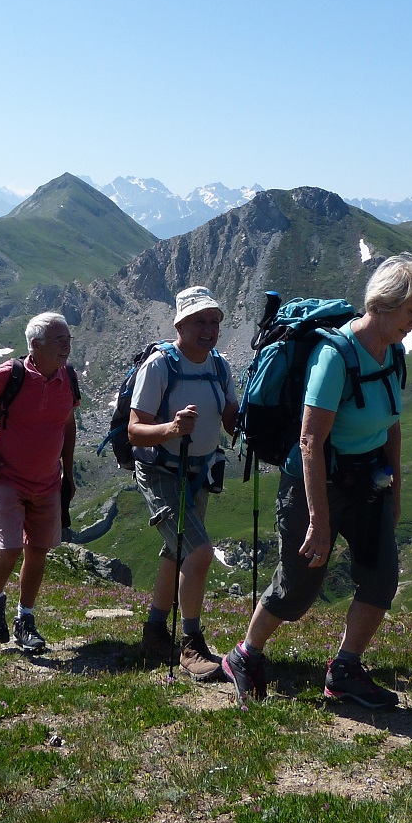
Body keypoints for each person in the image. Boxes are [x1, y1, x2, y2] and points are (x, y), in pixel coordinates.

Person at [223, 254, 412, 709]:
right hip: (314, 484)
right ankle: (244, 655)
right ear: (382, 305)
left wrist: (396, 488)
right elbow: (308, 441)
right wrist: (318, 521)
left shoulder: (393, 353)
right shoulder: (334, 355)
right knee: (297, 589)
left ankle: (344, 671)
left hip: (368, 482)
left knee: (381, 578)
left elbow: (391, 424)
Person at [128, 286, 240, 680]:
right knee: (199, 552)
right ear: (180, 324)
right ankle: (190, 645)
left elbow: (230, 418)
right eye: (199, 322)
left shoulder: (219, 366)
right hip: (161, 472)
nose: (209, 330)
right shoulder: (160, 366)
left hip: (199, 472)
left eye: (214, 322)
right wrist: (172, 427)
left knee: (176, 552)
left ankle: (156, 632)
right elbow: (134, 430)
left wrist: (247, 421)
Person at [0, 311, 79, 655]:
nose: (66, 347)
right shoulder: (9, 373)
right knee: (10, 548)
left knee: (38, 551)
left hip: (47, 482)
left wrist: (67, 473)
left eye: (68, 340)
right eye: (59, 341)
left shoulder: (67, 377)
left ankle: (25, 619)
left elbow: (67, 425)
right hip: (6, 477)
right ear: (36, 345)